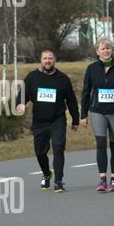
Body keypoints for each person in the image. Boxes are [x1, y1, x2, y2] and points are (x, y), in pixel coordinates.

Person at [15, 49, 79, 193]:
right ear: (41, 60)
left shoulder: (62, 79)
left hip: (58, 120)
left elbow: (71, 100)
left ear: (54, 59)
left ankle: (58, 181)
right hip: (40, 121)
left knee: (58, 148)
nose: (48, 61)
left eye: (50, 58)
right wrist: (20, 103)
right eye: (45, 58)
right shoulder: (32, 77)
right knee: (40, 152)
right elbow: (23, 94)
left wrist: (75, 119)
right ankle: (46, 173)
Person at [80, 38, 114, 192]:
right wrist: (83, 115)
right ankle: (102, 179)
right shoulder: (92, 68)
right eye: (103, 48)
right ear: (98, 52)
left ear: (111, 50)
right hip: (98, 111)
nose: (106, 51)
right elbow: (86, 92)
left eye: (108, 48)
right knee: (101, 143)